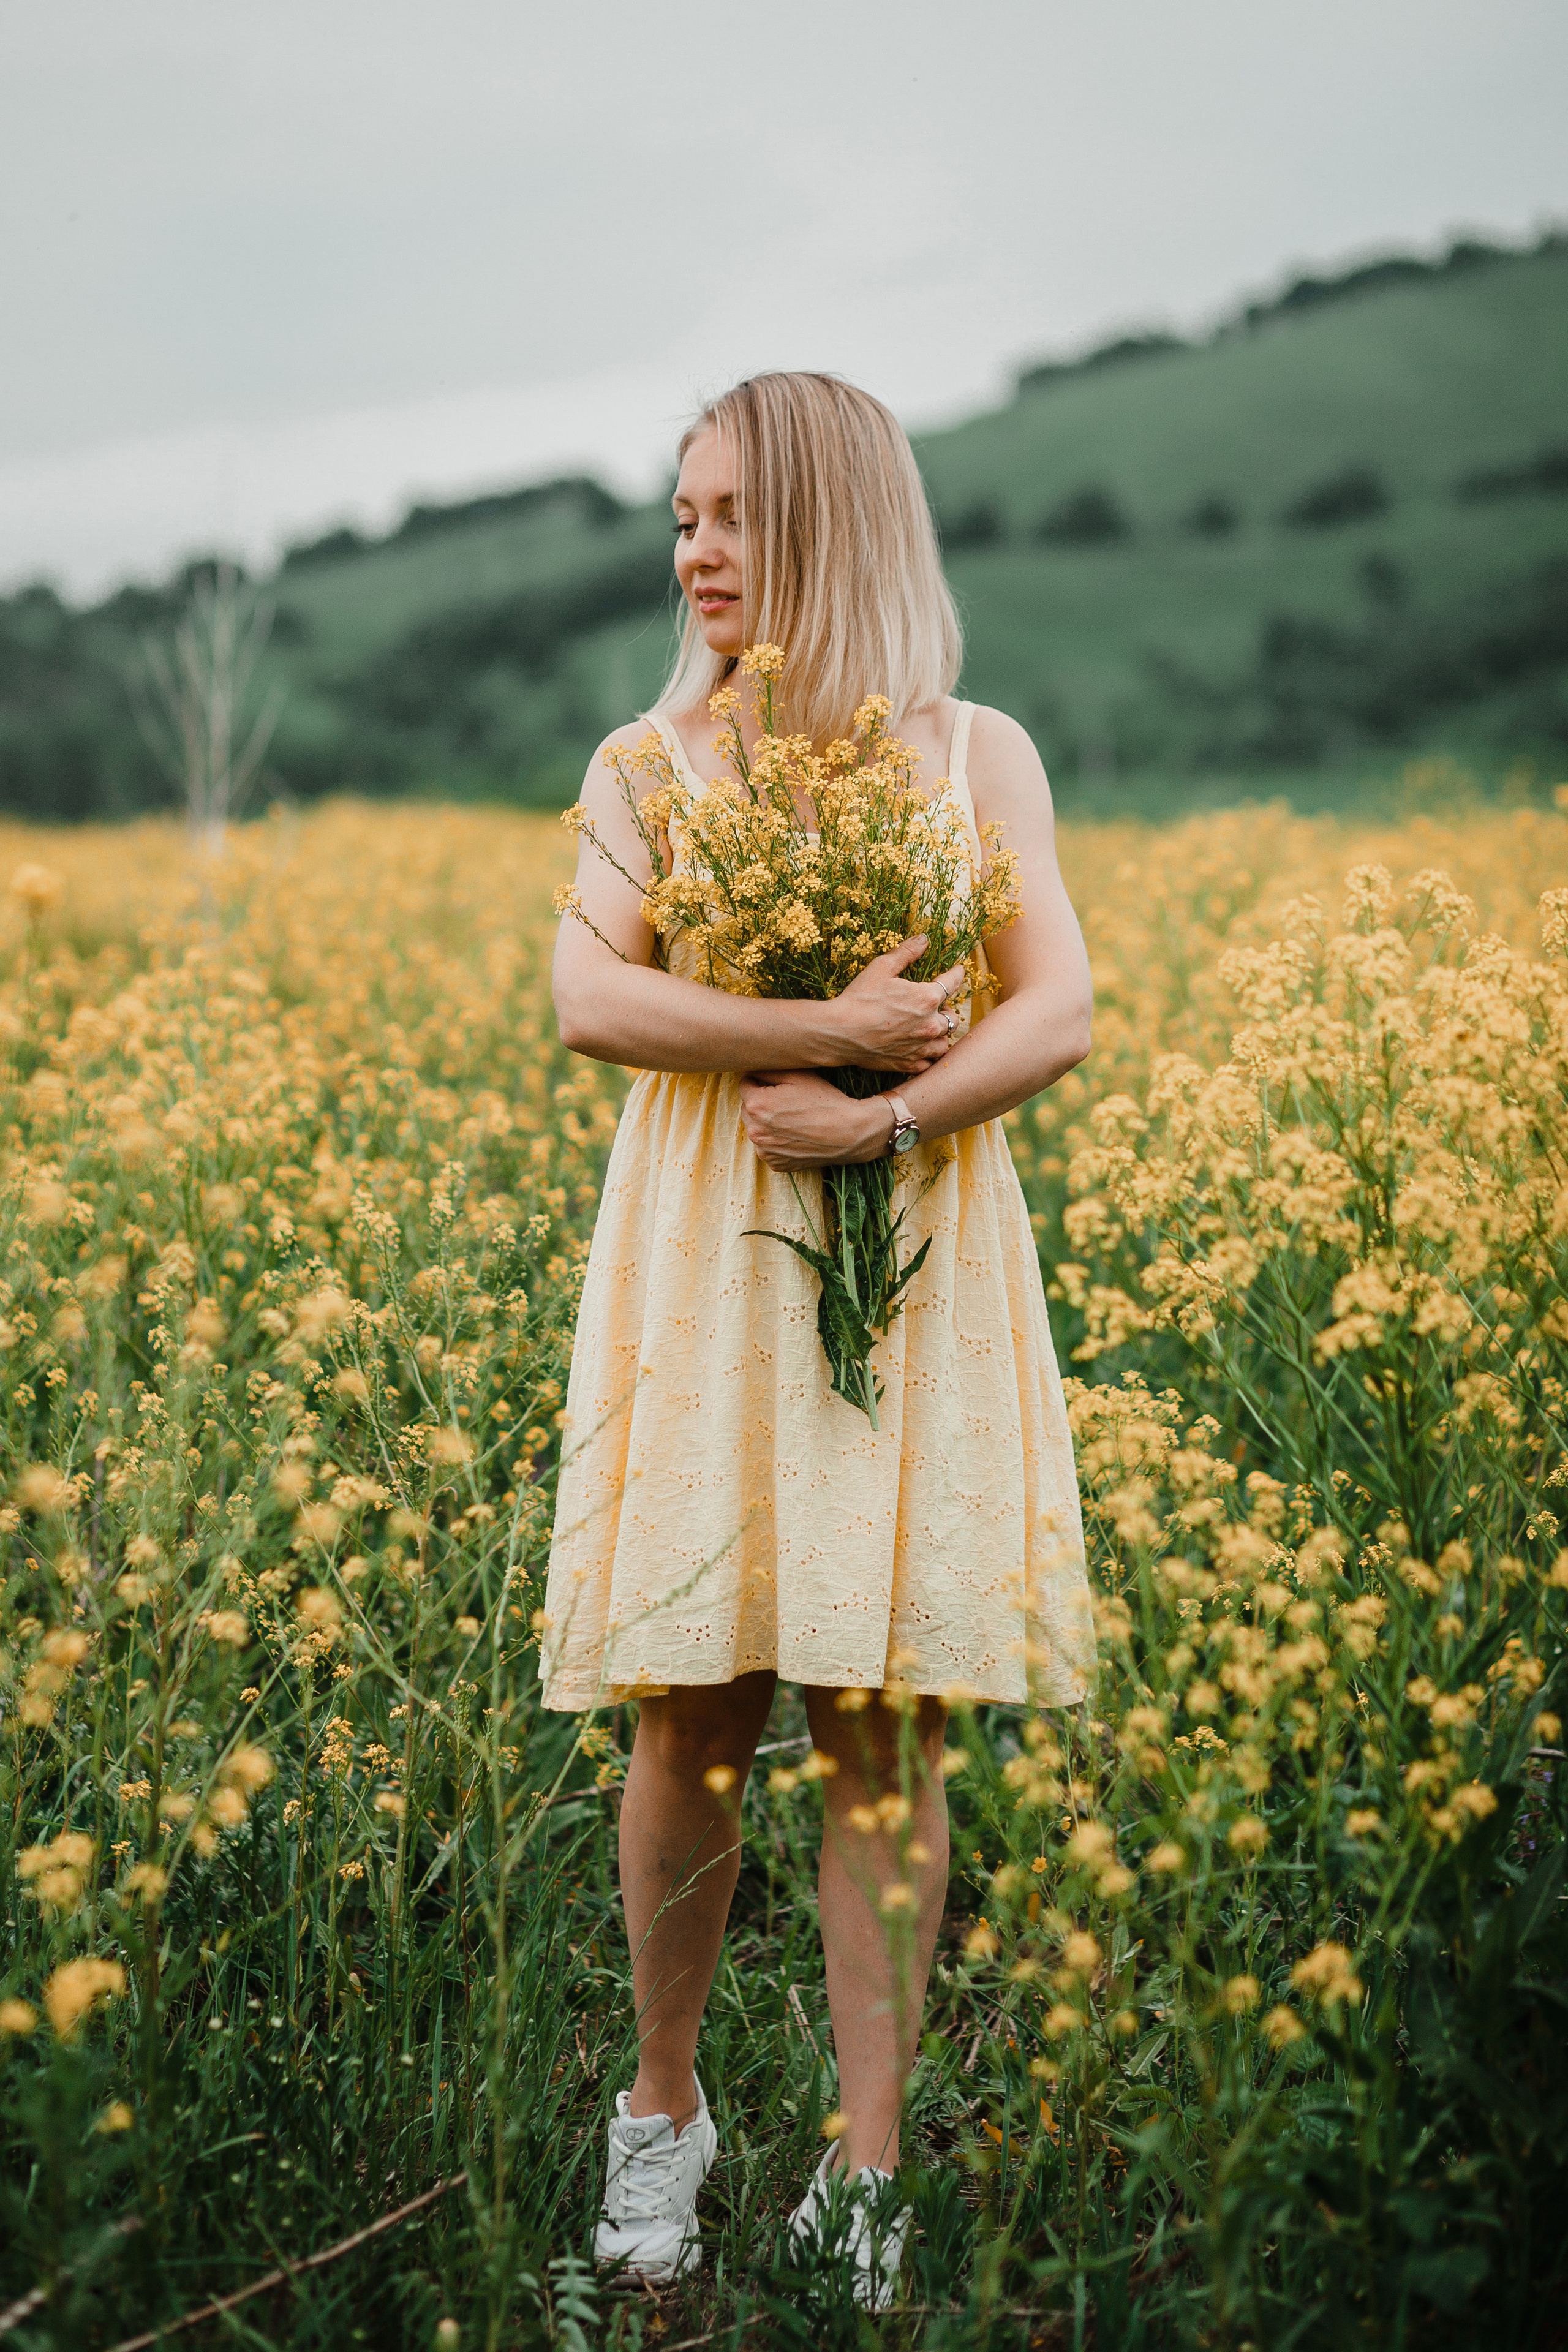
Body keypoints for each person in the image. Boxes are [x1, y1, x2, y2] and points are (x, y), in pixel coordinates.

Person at [542, 371, 1096, 2308]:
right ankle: (663, 2115)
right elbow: (586, 998)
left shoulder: (974, 753)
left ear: (836, 523)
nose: (694, 549)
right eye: (679, 516)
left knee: (880, 1719)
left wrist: (888, 1113)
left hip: (914, 1240)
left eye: (732, 514)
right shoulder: (649, 764)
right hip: (715, 1246)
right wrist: (820, 1036)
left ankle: (866, 2175)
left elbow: (1059, 1008)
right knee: (691, 1703)